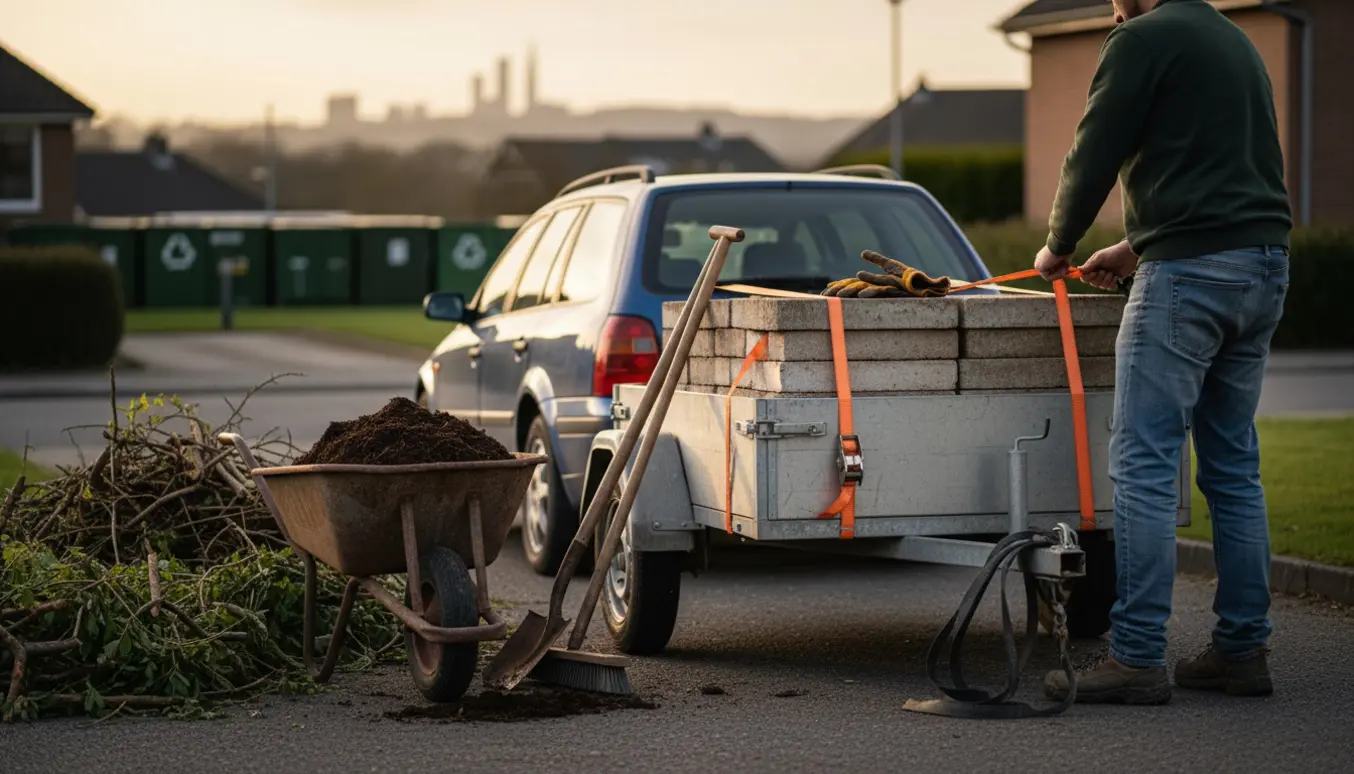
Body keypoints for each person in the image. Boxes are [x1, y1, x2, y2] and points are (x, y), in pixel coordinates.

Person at [1034, 0, 1292, 705]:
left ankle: (1138, 657)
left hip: (1190, 278)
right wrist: (1131, 246)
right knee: (1234, 464)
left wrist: (1058, 246)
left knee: (1143, 463)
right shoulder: (1233, 41)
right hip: (1263, 264)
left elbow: (1094, 151)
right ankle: (1242, 651)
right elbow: (1219, 174)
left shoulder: (1141, 40)